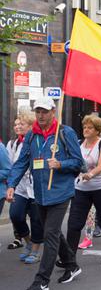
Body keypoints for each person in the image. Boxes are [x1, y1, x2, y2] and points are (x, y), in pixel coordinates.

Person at [6, 97, 85, 290]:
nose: (41, 115)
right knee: (54, 232)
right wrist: (11, 185)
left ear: (53, 112)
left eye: (44, 111)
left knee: (49, 234)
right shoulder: (32, 135)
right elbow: (21, 162)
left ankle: (42, 280)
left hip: (60, 192)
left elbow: (79, 163)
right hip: (39, 193)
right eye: (38, 111)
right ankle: (71, 265)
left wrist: (61, 164)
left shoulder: (65, 133)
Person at [65, 114, 101, 265]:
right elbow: (73, 162)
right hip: (81, 189)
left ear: (97, 130)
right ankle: (69, 258)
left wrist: (90, 174)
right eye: (84, 127)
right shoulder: (78, 144)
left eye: (90, 128)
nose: (86, 130)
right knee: (74, 224)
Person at [6, 112, 43, 264]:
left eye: (22, 124)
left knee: (36, 220)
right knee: (15, 216)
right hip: (20, 188)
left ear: (30, 126)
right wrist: (10, 186)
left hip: (35, 188)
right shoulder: (13, 144)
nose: (18, 126)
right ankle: (27, 242)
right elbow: (11, 166)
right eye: (16, 124)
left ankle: (35, 250)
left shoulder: (38, 141)